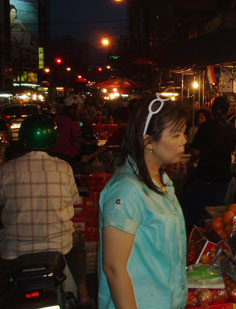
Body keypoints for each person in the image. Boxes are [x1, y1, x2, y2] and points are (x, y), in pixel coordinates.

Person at [98, 94, 188, 308]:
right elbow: (114, 268)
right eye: (176, 135)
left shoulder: (161, 181)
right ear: (148, 141)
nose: (184, 140)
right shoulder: (127, 191)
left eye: (183, 133)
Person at [0, 115, 92, 307]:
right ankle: (83, 292)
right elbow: (75, 201)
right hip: (58, 245)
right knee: (78, 243)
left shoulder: (6, 170)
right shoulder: (63, 168)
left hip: (14, 250)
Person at [182, 96, 236, 230]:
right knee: (215, 212)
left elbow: (195, 152)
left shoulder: (205, 127)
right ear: (227, 111)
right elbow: (232, 149)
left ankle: (194, 233)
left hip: (205, 175)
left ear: (212, 111)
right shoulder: (231, 129)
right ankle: (213, 236)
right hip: (223, 177)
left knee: (194, 207)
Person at [51, 95, 96, 166]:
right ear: (74, 107)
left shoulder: (56, 118)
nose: (80, 109)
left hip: (54, 152)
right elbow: (76, 138)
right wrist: (89, 143)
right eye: (79, 106)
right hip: (68, 153)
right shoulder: (73, 120)